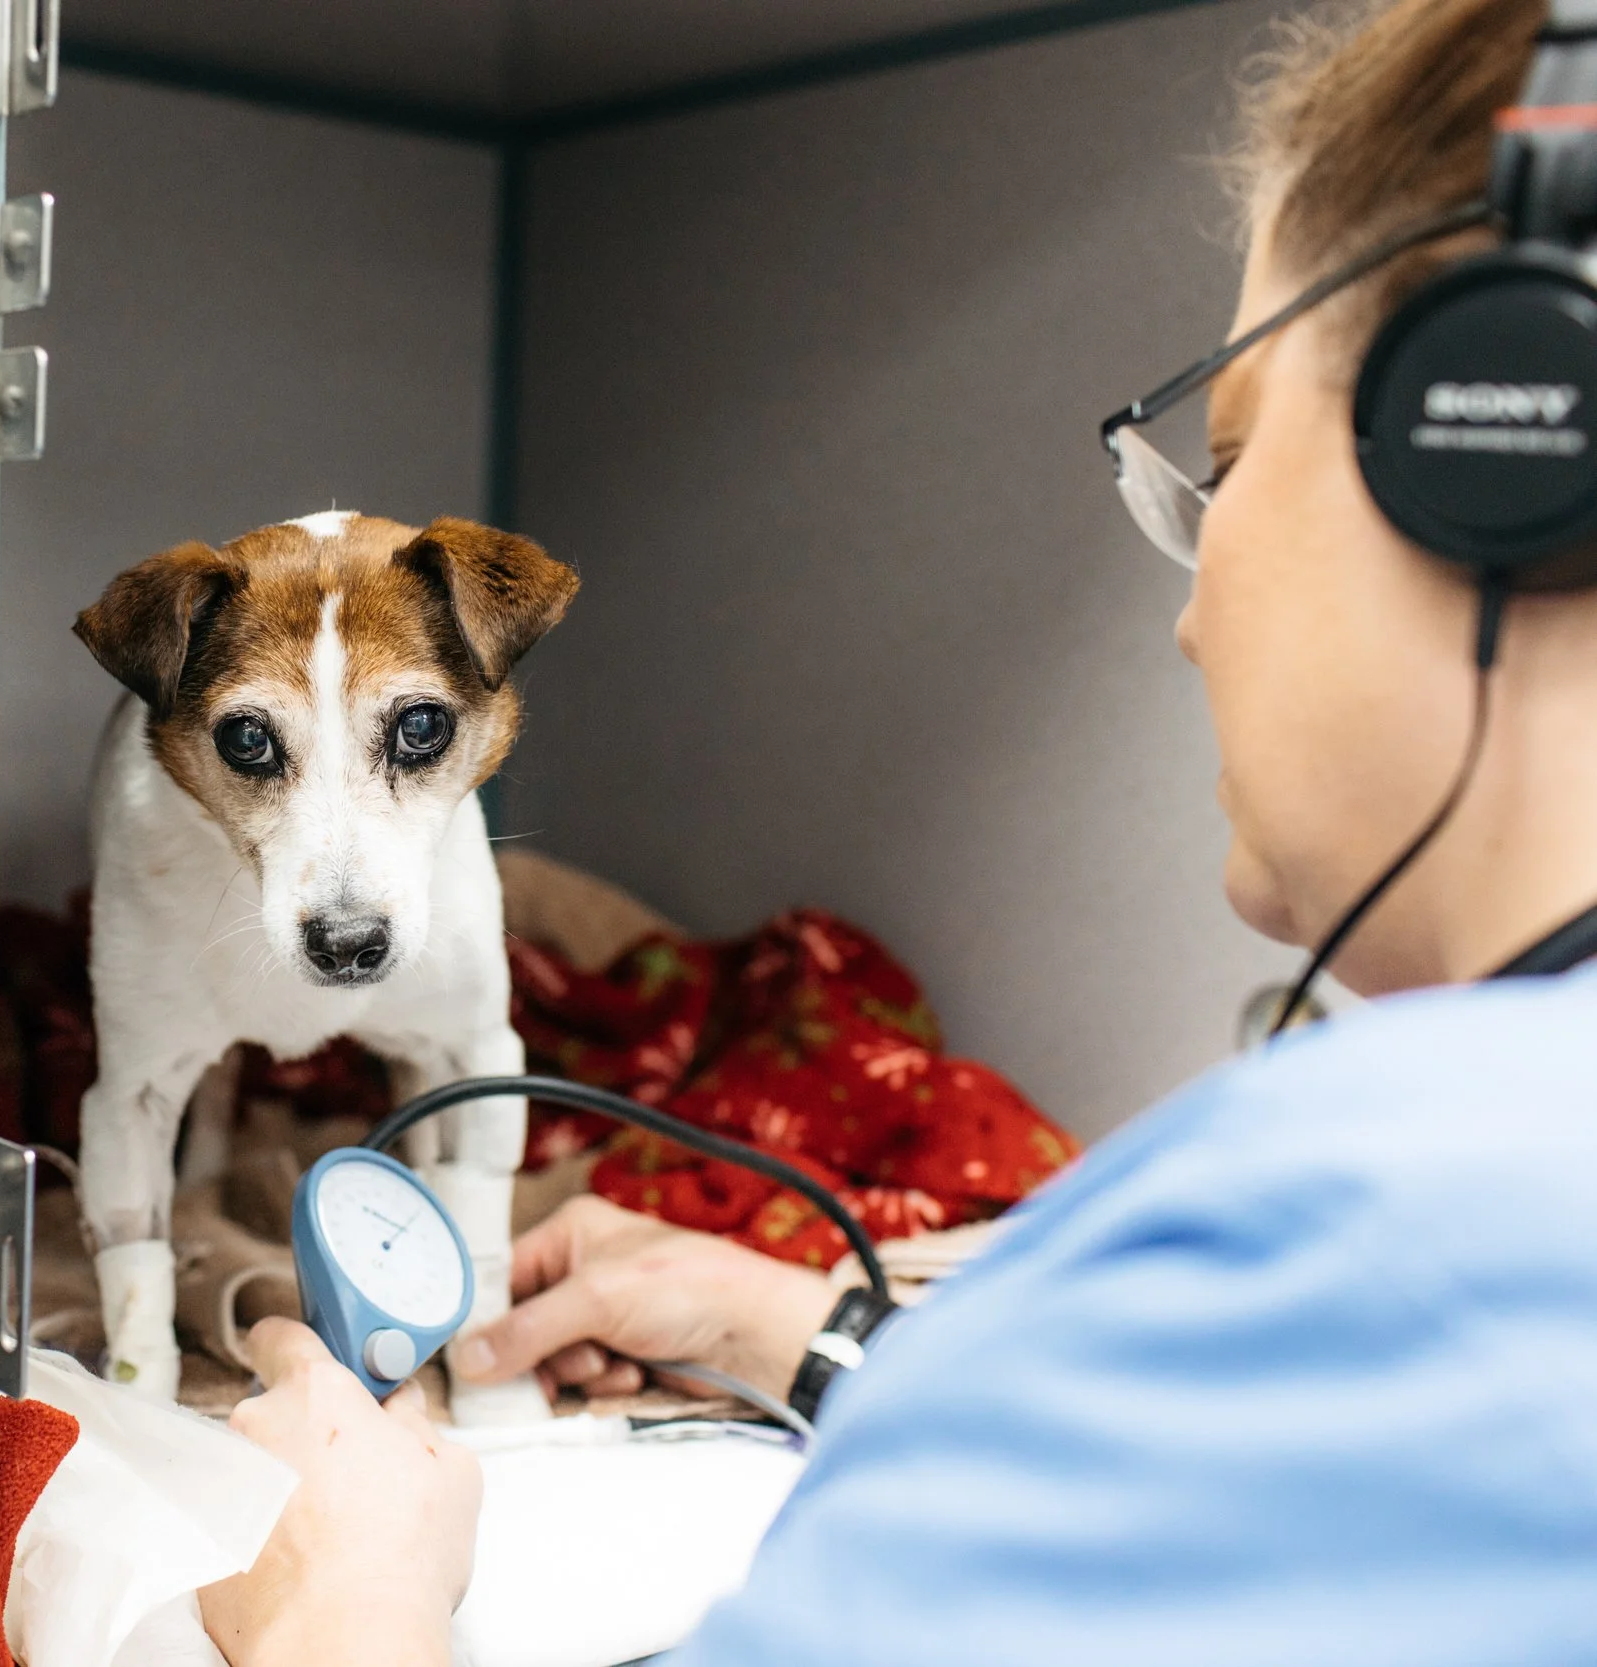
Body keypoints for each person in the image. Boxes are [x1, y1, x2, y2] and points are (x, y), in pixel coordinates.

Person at [194, 0, 1597, 1661]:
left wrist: (347, 1598)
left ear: (1498, 434)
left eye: (1224, 464)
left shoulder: (1381, 1235)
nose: (1192, 620)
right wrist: (819, 1331)